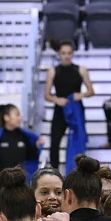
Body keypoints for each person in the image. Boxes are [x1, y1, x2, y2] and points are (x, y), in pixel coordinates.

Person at [0, 104, 44, 194]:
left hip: (18, 183)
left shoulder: (24, 136)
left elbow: (30, 158)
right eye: (17, 115)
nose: (19, 118)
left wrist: (36, 146)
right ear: (6, 118)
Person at [44, 41, 94, 171]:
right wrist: (57, 100)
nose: (66, 56)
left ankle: (79, 171)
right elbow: (47, 95)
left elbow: (91, 91)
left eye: (69, 53)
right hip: (60, 110)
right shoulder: (53, 71)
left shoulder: (81, 69)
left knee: (79, 140)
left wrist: (81, 95)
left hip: (76, 109)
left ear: (72, 54)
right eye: (63, 53)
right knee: (55, 142)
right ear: (59, 54)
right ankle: (54, 172)